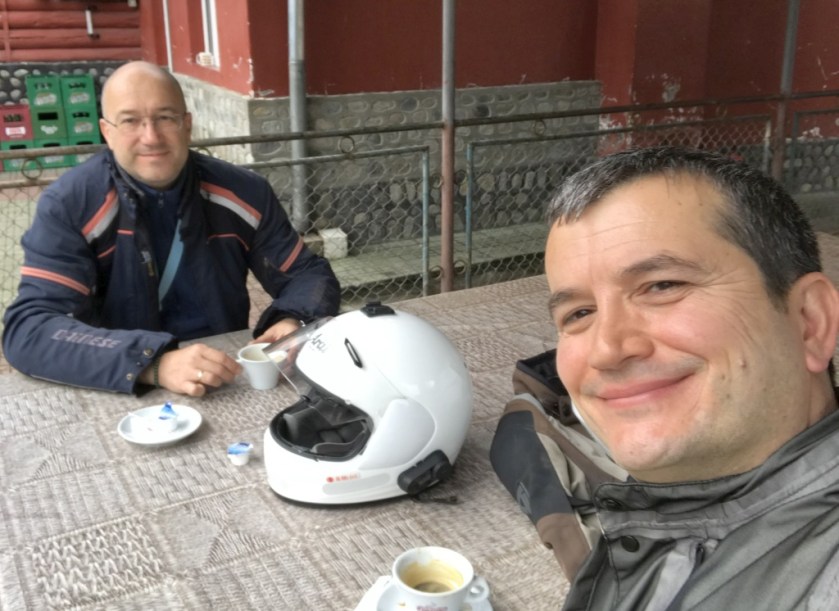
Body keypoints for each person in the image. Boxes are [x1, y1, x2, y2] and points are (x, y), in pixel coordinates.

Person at [542, 146, 839, 609]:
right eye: (579, 313)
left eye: (663, 285)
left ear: (809, 321)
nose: (607, 350)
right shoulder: (656, 518)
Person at [2, 61, 340, 396]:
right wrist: (153, 364)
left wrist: (292, 321)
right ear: (107, 131)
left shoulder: (244, 192)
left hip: (224, 377)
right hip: (119, 383)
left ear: (187, 125)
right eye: (130, 121)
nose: (151, 137)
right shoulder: (71, 204)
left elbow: (307, 274)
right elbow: (29, 330)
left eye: (165, 117)